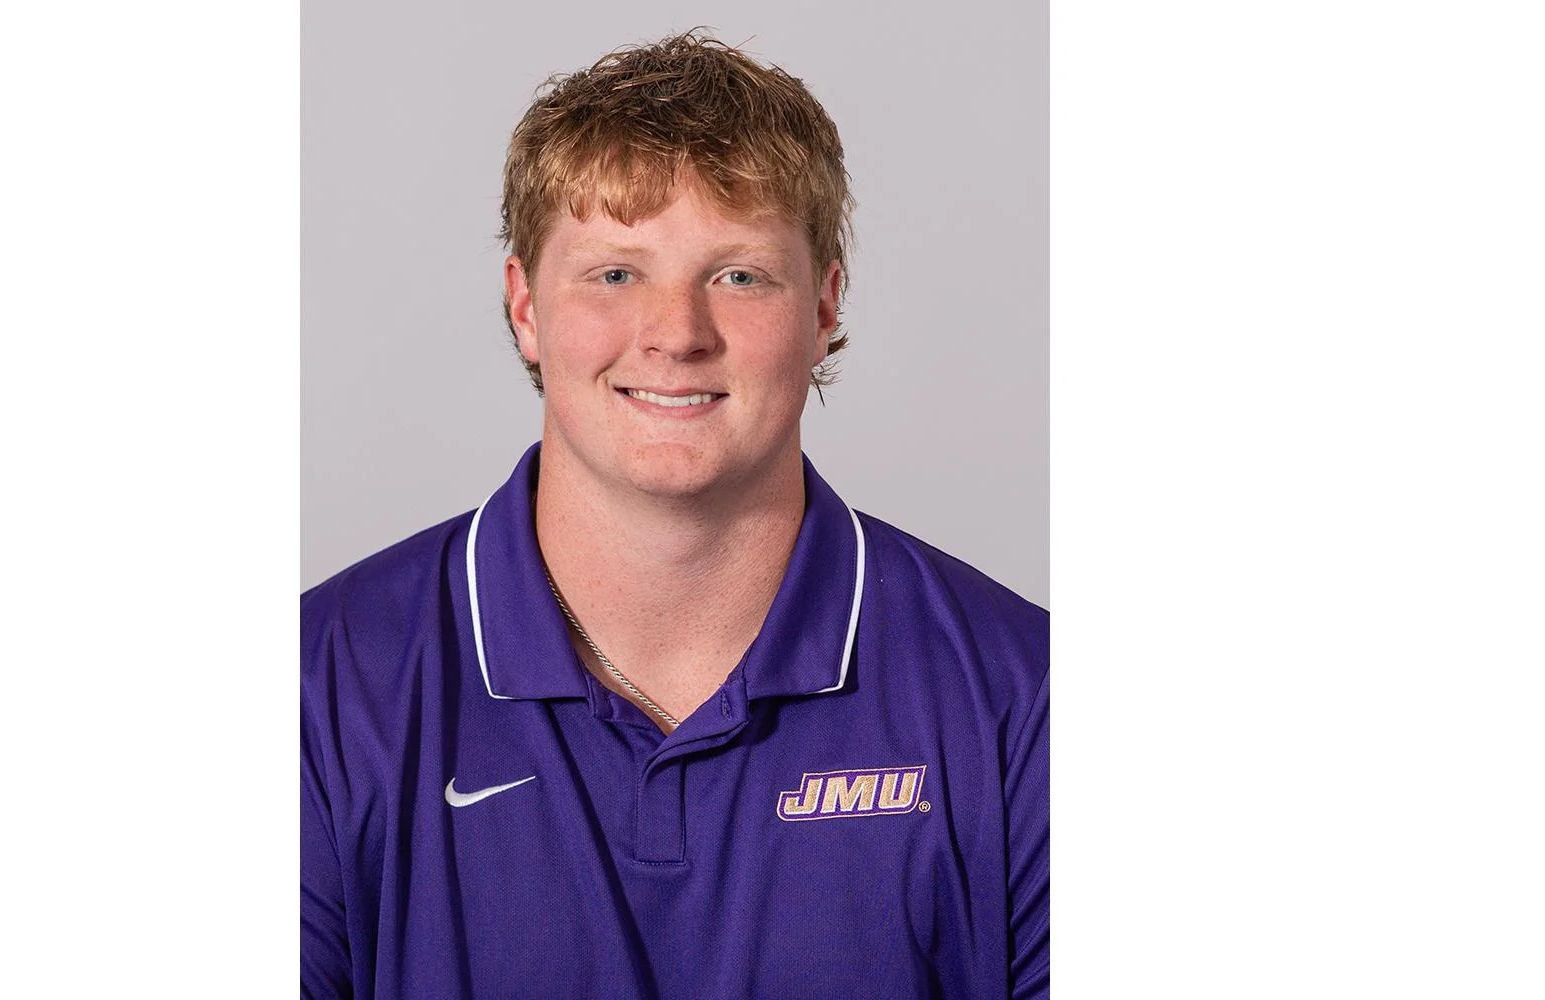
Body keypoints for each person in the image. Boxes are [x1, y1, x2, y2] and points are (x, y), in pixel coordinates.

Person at [301, 30, 1047, 999]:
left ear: (824, 306)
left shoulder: (1024, 698)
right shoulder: (318, 690)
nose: (676, 334)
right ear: (525, 307)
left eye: (739, 275)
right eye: (615, 273)